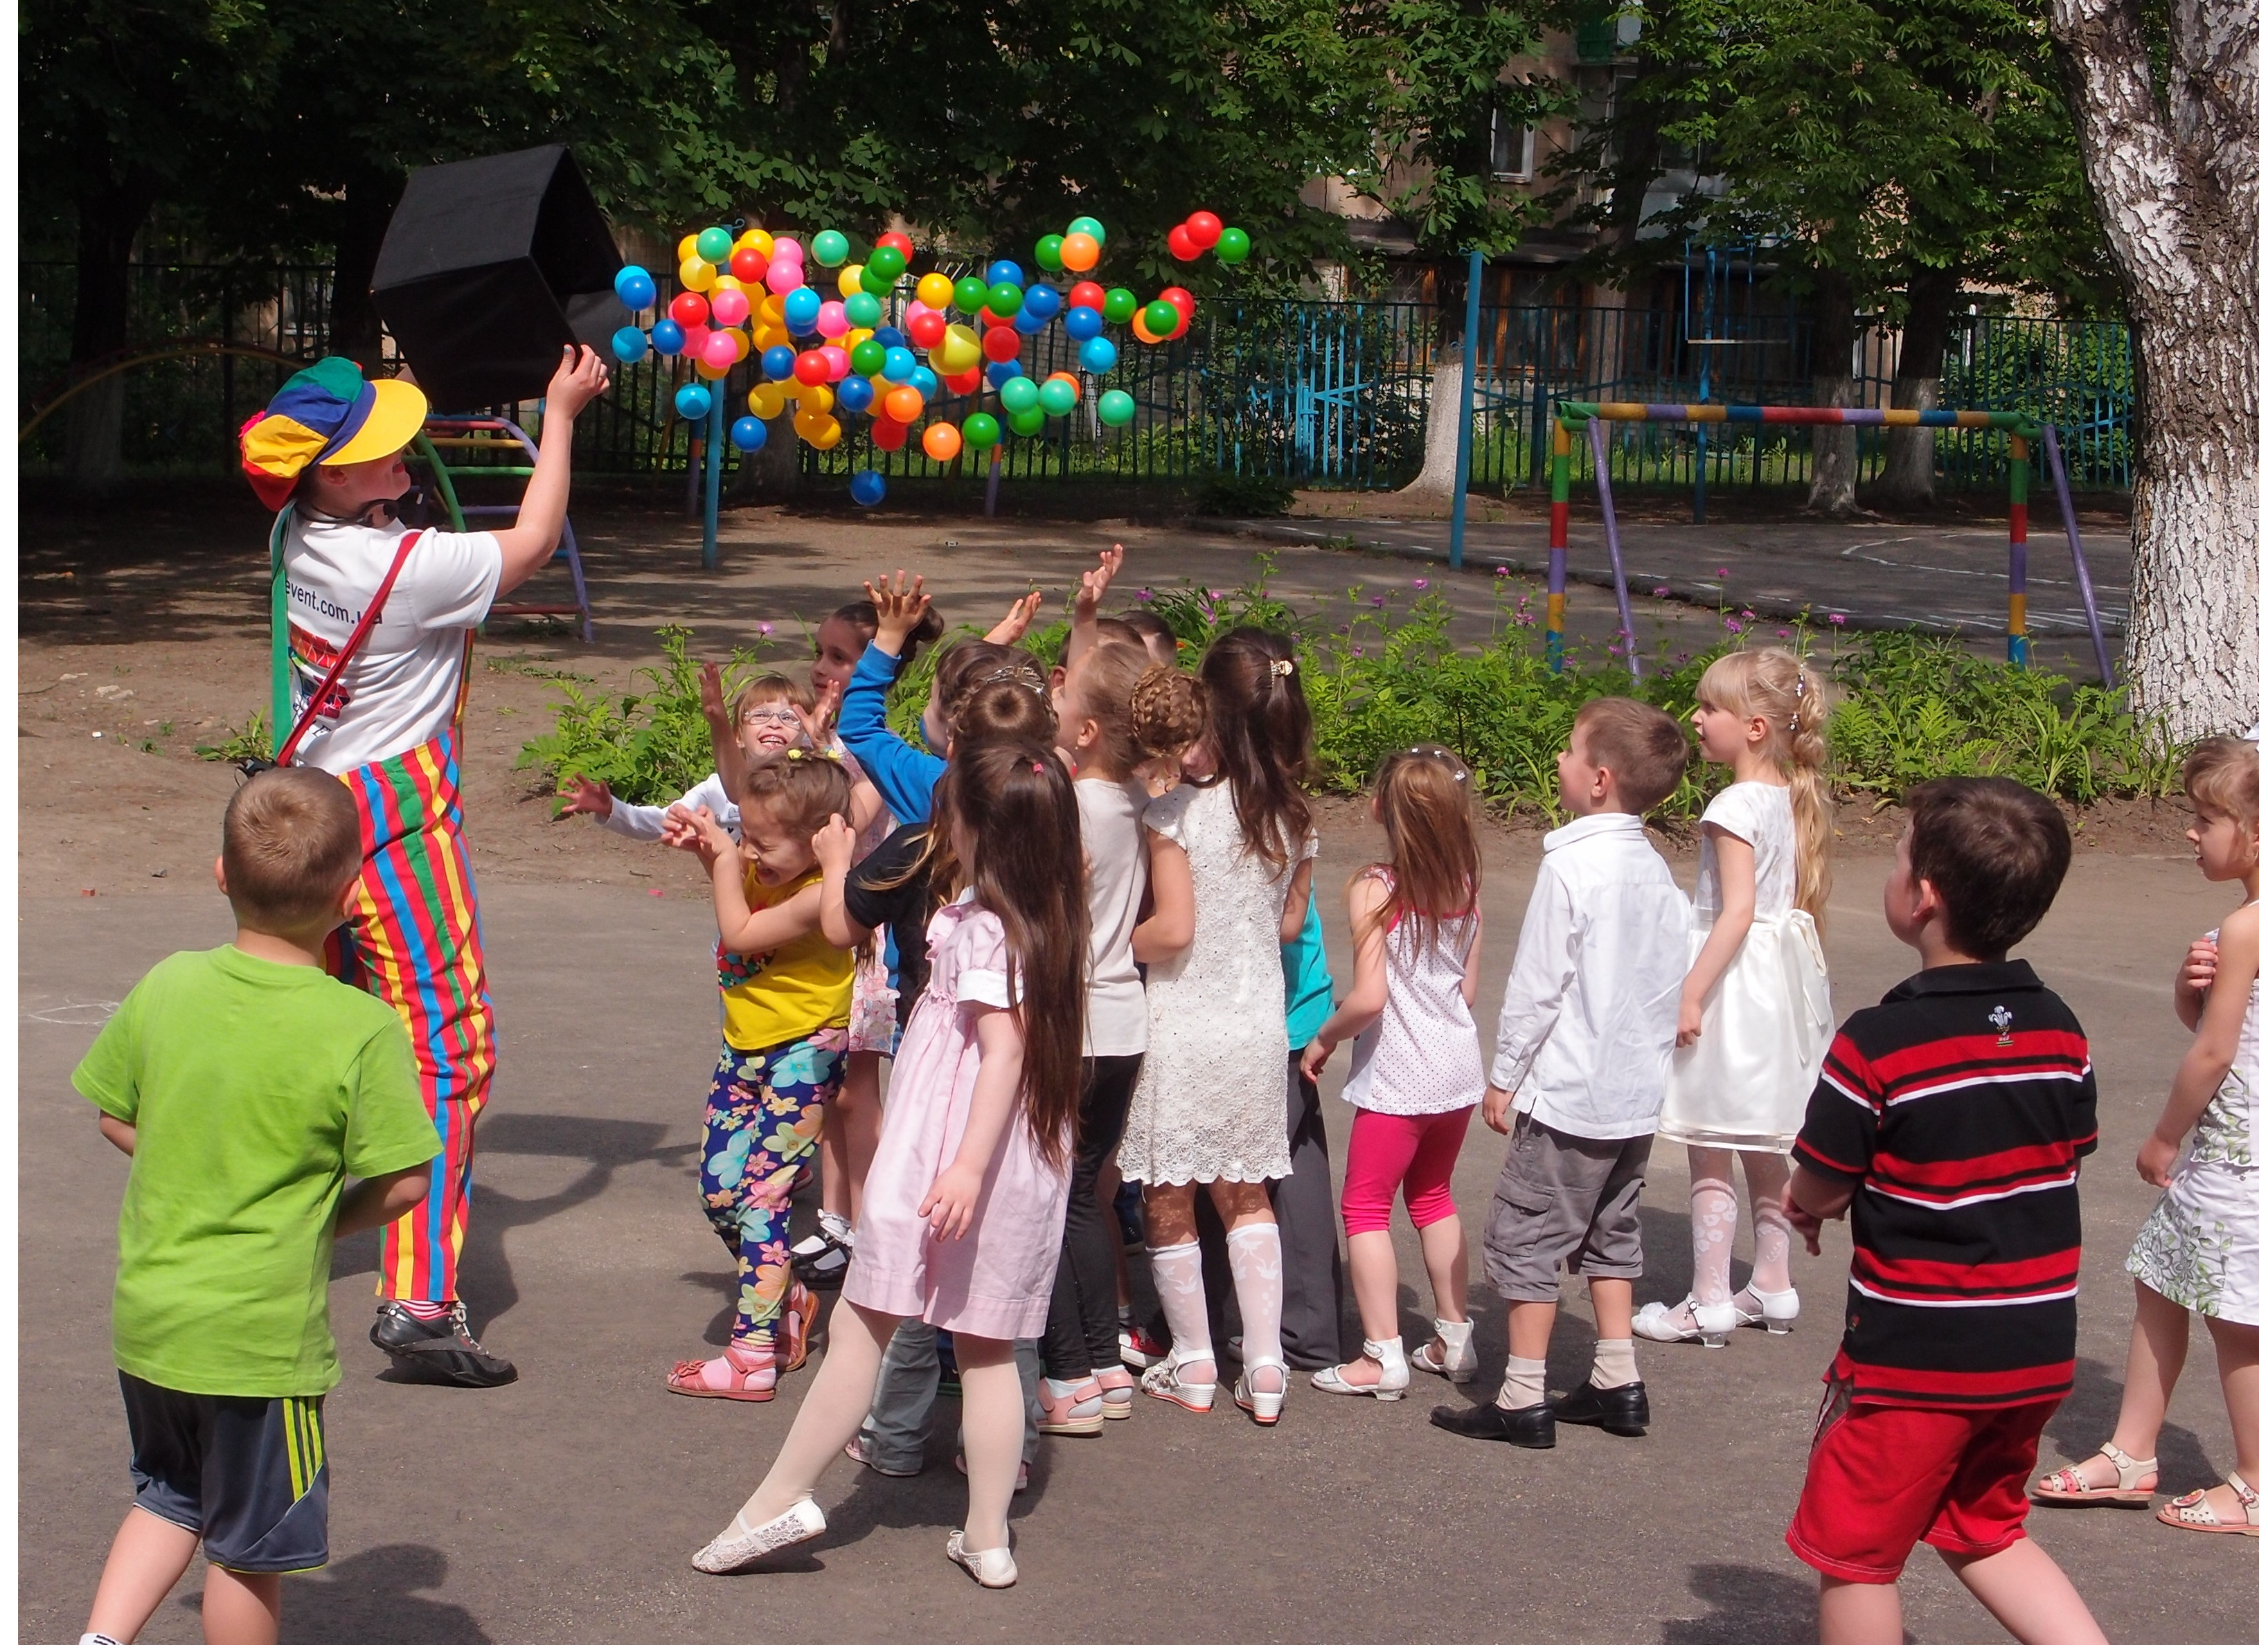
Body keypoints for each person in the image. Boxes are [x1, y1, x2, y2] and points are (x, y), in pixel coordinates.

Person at [238, 344, 610, 1388]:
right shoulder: (407, 571)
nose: (404, 450)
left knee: (321, 1046)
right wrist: (562, 414)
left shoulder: (298, 536)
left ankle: (272, 1245)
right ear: (335, 477)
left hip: (308, 811)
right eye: (378, 448)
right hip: (393, 821)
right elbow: (533, 540)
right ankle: (418, 1298)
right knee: (449, 1053)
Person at [689, 739, 1089, 1590]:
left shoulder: (987, 926)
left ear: (979, 830)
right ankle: (986, 1535)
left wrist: (964, 1170)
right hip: (1008, 1156)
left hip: (950, 1151)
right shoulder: (1052, 913)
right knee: (983, 1350)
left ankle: (777, 1501)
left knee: (862, 1325)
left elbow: (1003, 1053)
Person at [73, 771, 443, 1645]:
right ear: (352, 897)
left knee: (168, 1497)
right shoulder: (358, 1025)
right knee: (249, 1548)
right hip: (256, 1345)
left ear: (218, 874)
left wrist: (188, 1166)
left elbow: (113, 1113)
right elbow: (406, 1182)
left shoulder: (169, 983)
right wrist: (320, 1219)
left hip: (154, 1321)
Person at [1783, 777, 2108, 1645]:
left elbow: (1820, 1179)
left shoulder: (1877, 1040)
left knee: (1854, 1556)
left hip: (1913, 1358)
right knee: (1983, 1528)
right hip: (2032, 1349)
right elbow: (2067, 1148)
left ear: (1921, 897)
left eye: (1895, 855)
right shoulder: (2059, 1027)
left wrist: (1806, 1206)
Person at [1428, 701, 1693, 1446]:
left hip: (1571, 1092)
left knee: (1525, 1235)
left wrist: (1504, 1074)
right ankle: (1617, 1377)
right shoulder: (1653, 871)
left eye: (1570, 752)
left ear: (1600, 779)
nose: (1559, 763)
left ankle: (1521, 1394)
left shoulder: (1572, 865)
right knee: (1612, 1230)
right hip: (1633, 1095)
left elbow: (1539, 984)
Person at [816, 679, 1059, 1485]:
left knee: (912, 1286)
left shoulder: (951, 882)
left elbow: (840, 920)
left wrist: (835, 861)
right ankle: (1009, 1463)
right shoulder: (1058, 877)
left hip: (950, 1093)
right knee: (994, 1316)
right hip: (1023, 1107)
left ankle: (891, 1435)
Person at [565, 668, 883, 1284]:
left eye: (787, 715)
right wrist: (618, 813)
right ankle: (783, 1180)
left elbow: (749, 922)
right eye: (757, 716)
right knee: (729, 1186)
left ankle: (768, 1319)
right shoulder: (730, 793)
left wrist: (720, 858)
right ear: (739, 735)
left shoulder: (817, 850)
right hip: (747, 1002)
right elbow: (673, 818)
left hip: (806, 1022)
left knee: (785, 1162)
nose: (773, 725)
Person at [2033, 735, 2259, 1534]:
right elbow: (2211, 1020)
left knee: (2237, 1316)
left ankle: (2254, 1483)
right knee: (2160, 1277)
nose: (2191, 834)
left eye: (2206, 819)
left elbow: (2213, 1049)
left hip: (2236, 1157)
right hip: (2232, 1156)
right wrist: (2184, 985)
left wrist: (2163, 1136)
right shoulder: (2235, 927)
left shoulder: (2245, 929)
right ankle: (2132, 1451)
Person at [1119, 629, 1319, 1424]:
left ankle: (1194, 1362)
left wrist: (1102, 944)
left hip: (1180, 1019)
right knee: (1247, 1193)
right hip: (1255, 1022)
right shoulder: (1293, 816)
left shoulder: (1172, 814)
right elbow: (1289, 921)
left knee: (1169, 1195)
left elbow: (1171, 931)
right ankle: (1264, 1369)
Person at [1639, 647, 1835, 1347]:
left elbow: (1735, 910)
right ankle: (1772, 1286)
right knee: (1760, 1141)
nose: (1694, 720)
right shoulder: (1787, 795)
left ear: (1754, 726)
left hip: (1729, 983)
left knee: (1708, 1142)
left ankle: (1708, 1298)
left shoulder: (1730, 805)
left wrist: (1689, 993)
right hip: (1771, 987)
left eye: (1709, 709)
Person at [1037, 641, 1208, 1430]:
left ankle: (1070, 1370)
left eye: (1066, 704)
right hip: (1122, 1025)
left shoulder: (1071, 808)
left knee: (1058, 1201)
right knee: (1082, 1195)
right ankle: (1104, 1364)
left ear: (1087, 729)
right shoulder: (1139, 809)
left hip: (1070, 1022)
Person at [657, 752, 855, 1401]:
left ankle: (751, 1358)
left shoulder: (818, 894)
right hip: (744, 1047)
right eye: (746, 835)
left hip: (806, 1049)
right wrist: (709, 846)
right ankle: (788, 1295)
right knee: (720, 1196)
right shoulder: (770, 859)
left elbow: (739, 931)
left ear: (818, 840)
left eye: (764, 843)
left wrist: (720, 862)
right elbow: (737, 875)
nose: (750, 852)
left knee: (765, 1201)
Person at [1303, 745, 1487, 1401]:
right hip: (1457, 1070)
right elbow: (1465, 990)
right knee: (1433, 1197)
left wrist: (1324, 1038)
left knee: (1365, 1207)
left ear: (1382, 808)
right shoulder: (1466, 879)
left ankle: (1381, 1356)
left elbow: (1369, 998)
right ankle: (1454, 1338)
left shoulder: (1375, 886)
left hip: (1400, 1079)